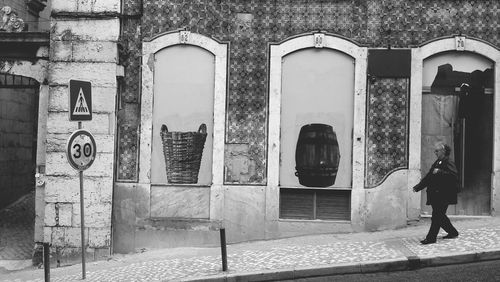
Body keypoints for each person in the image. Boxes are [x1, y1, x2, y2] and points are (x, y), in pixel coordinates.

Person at [413, 142, 459, 244]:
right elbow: (429, 177)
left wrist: (440, 172)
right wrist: (418, 187)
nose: (435, 152)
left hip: (444, 195)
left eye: (437, 151)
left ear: (443, 151)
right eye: (435, 151)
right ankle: (453, 232)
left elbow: (454, 176)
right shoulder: (438, 162)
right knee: (440, 216)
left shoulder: (448, 161)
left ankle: (431, 238)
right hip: (436, 195)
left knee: (437, 216)